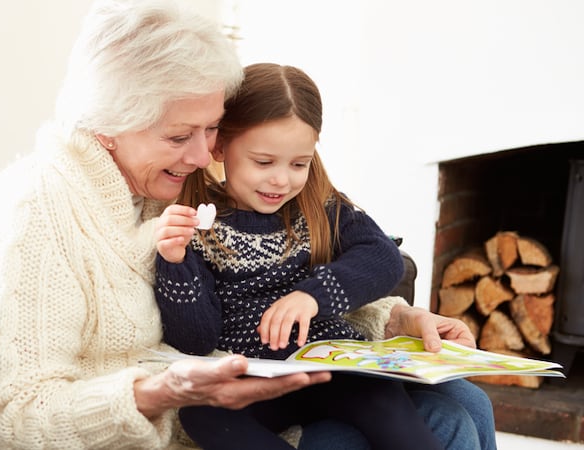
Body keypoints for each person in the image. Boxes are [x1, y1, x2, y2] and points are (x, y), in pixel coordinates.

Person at [0, 0, 494, 449]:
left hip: (243, 391)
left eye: (212, 130)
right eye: (181, 135)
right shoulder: (36, 215)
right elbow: (18, 418)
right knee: (438, 424)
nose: (205, 153)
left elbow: (270, 277)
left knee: (465, 399)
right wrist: (160, 391)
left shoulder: (157, 183)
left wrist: (396, 317)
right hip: (180, 424)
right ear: (109, 122)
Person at [153, 62, 445, 450]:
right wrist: (175, 263)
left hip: (330, 370)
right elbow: (196, 338)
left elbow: (384, 257)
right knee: (201, 415)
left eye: (298, 164)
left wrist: (312, 296)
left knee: (382, 397)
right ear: (220, 146)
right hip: (254, 383)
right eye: (263, 162)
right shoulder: (197, 224)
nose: (281, 180)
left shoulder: (323, 207)